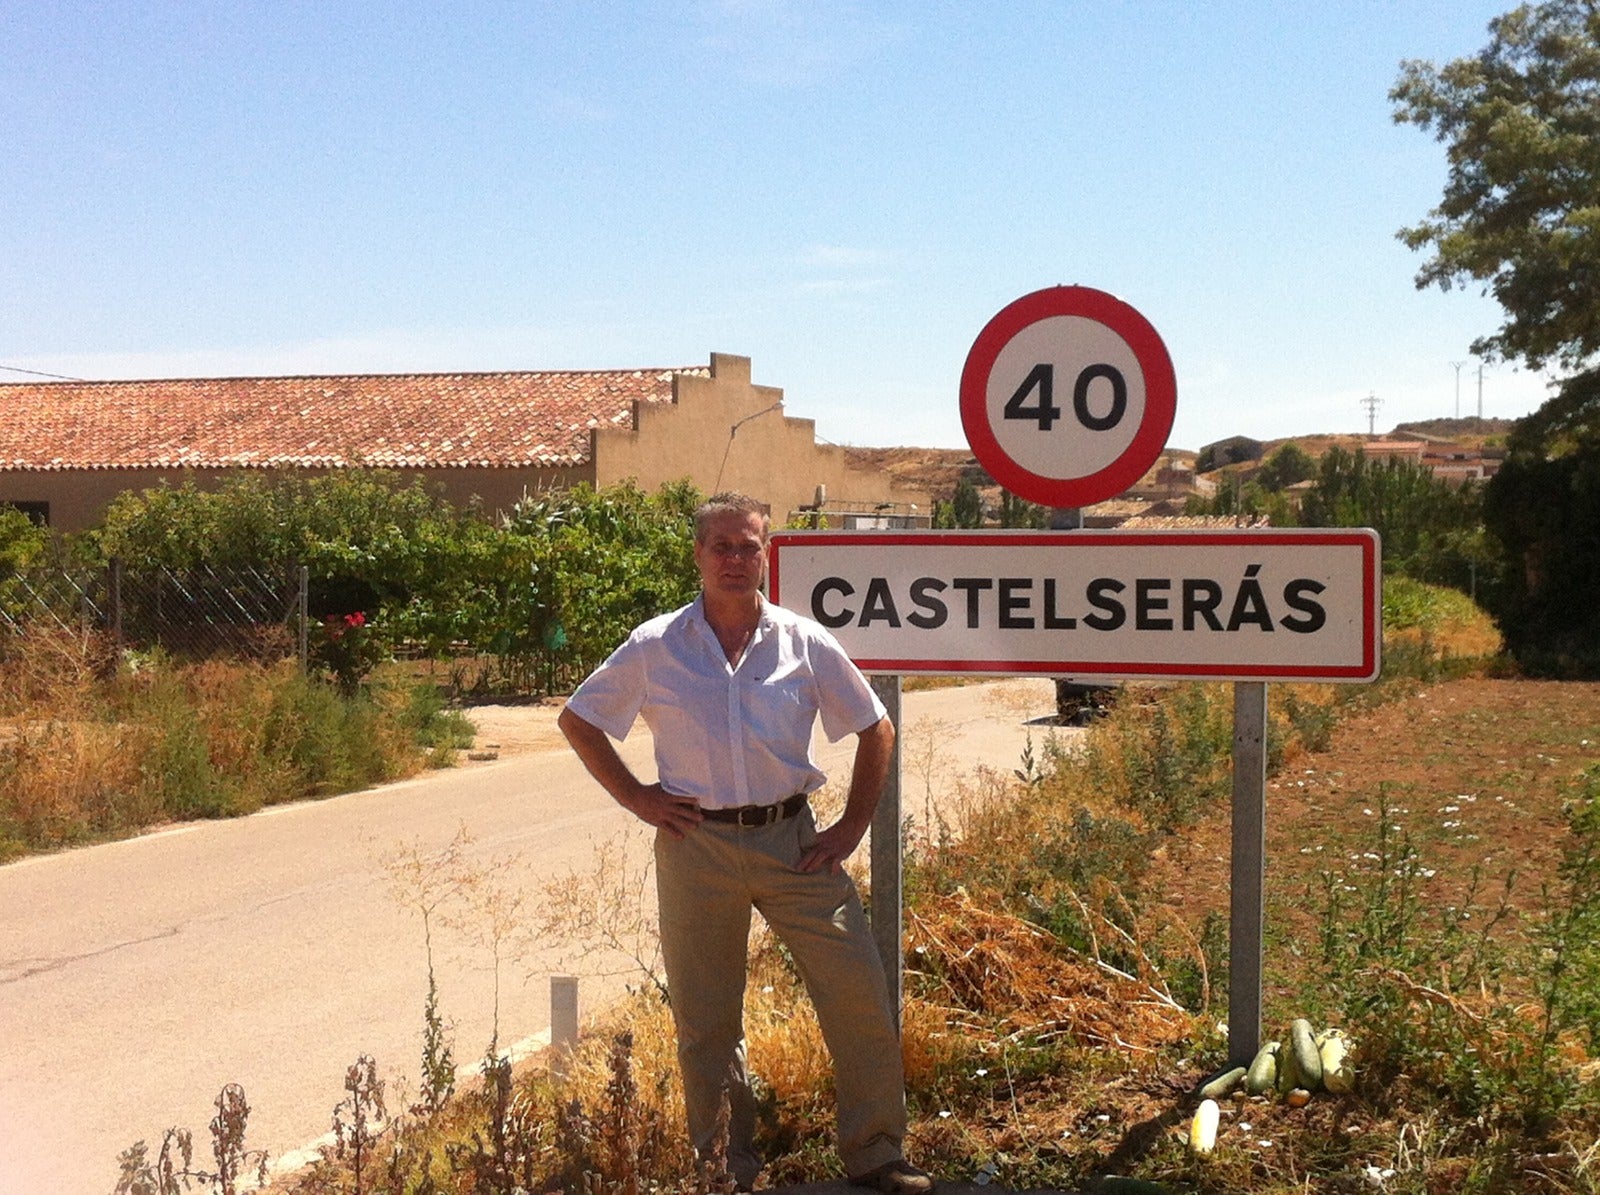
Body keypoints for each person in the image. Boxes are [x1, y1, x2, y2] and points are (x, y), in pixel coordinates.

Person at [558, 492, 934, 1195]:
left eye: (749, 545)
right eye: (722, 546)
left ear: (768, 554)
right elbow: (580, 719)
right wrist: (637, 797)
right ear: (698, 555)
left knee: (857, 992)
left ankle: (878, 1151)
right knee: (706, 1020)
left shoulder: (803, 640)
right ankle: (725, 1168)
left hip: (795, 844)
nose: (736, 559)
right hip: (695, 845)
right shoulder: (655, 644)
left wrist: (850, 826)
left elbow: (874, 727)